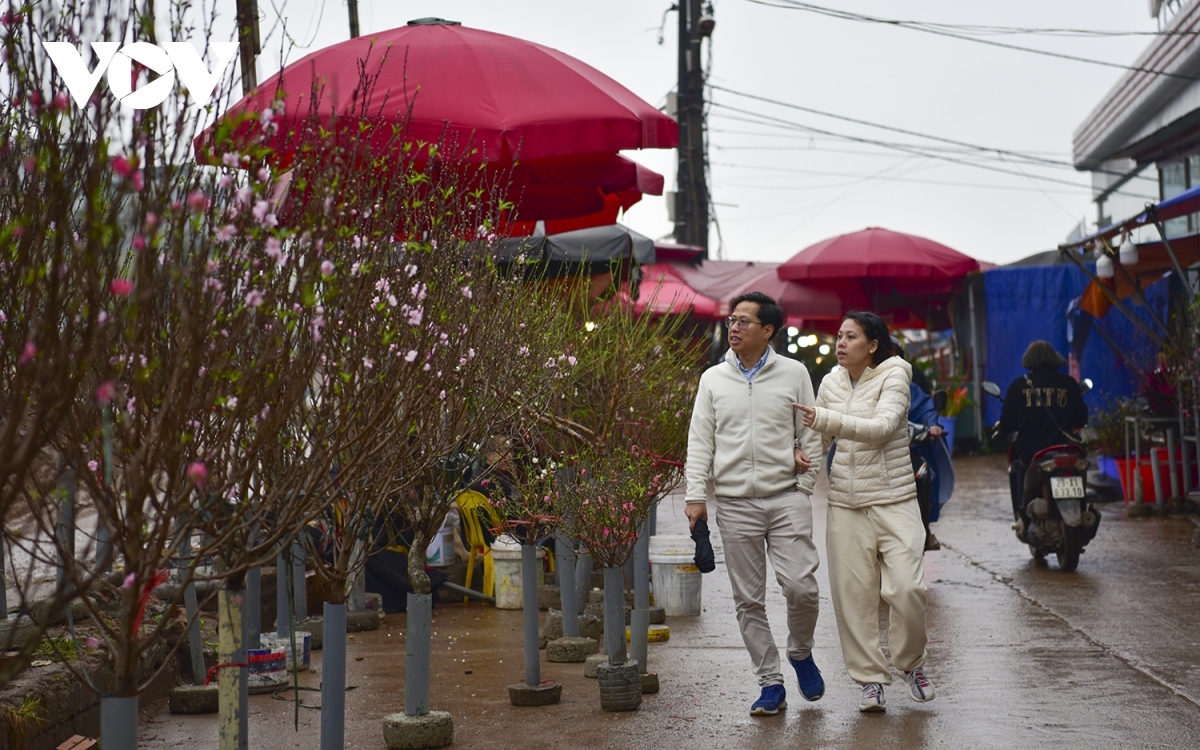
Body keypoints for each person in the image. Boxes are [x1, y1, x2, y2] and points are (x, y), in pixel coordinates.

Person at [684, 291, 826, 717]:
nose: (735, 327)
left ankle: (800, 653)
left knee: (802, 587)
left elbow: (812, 434)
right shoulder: (712, 379)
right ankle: (770, 682)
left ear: (769, 330)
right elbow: (699, 441)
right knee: (748, 600)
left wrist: (805, 486)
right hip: (734, 504)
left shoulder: (794, 373)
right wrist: (695, 497)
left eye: (746, 321)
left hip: (787, 497)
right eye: (732, 320)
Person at [793, 311, 934, 713]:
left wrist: (824, 419)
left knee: (908, 589)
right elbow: (817, 437)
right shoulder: (831, 382)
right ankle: (870, 681)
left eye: (850, 336)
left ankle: (911, 665)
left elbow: (883, 427)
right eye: (838, 336)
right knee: (853, 599)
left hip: (895, 499)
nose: (840, 343)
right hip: (845, 504)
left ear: (872, 345)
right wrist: (802, 468)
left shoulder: (895, 374)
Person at [998, 340, 1088, 522]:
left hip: (1032, 451)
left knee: (1019, 466)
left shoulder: (1019, 386)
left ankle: (1022, 515)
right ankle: (1082, 509)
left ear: (1028, 360)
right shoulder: (1069, 384)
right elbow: (1081, 419)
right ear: (1054, 358)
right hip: (1066, 448)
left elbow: (1007, 423)